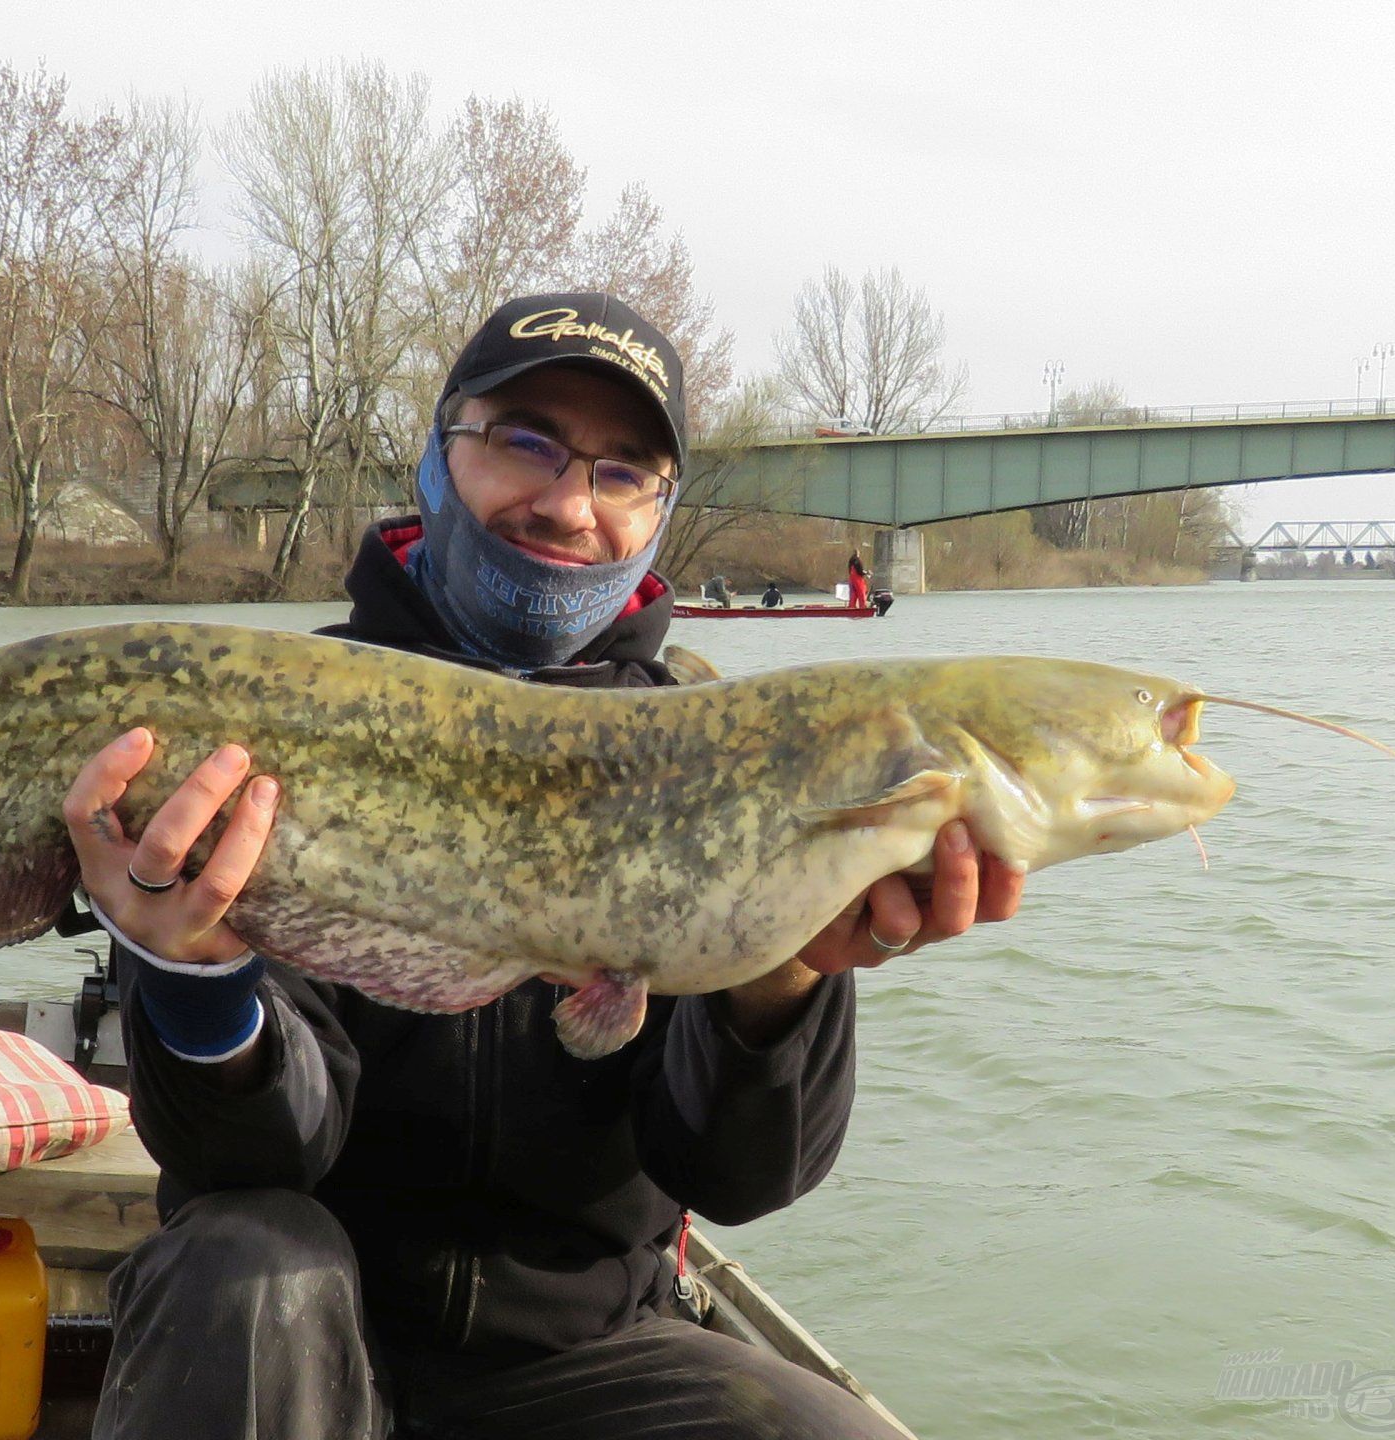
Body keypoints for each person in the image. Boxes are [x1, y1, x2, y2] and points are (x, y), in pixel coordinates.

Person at [62, 293, 1025, 1440]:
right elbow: (261, 1156)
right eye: (526, 443)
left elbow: (738, 1180)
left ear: (658, 514)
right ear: (438, 456)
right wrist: (196, 982)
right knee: (253, 1264)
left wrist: (781, 981)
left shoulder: (730, 753)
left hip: (587, 1361)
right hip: (296, 1340)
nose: (569, 504)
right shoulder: (264, 718)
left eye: (622, 472)